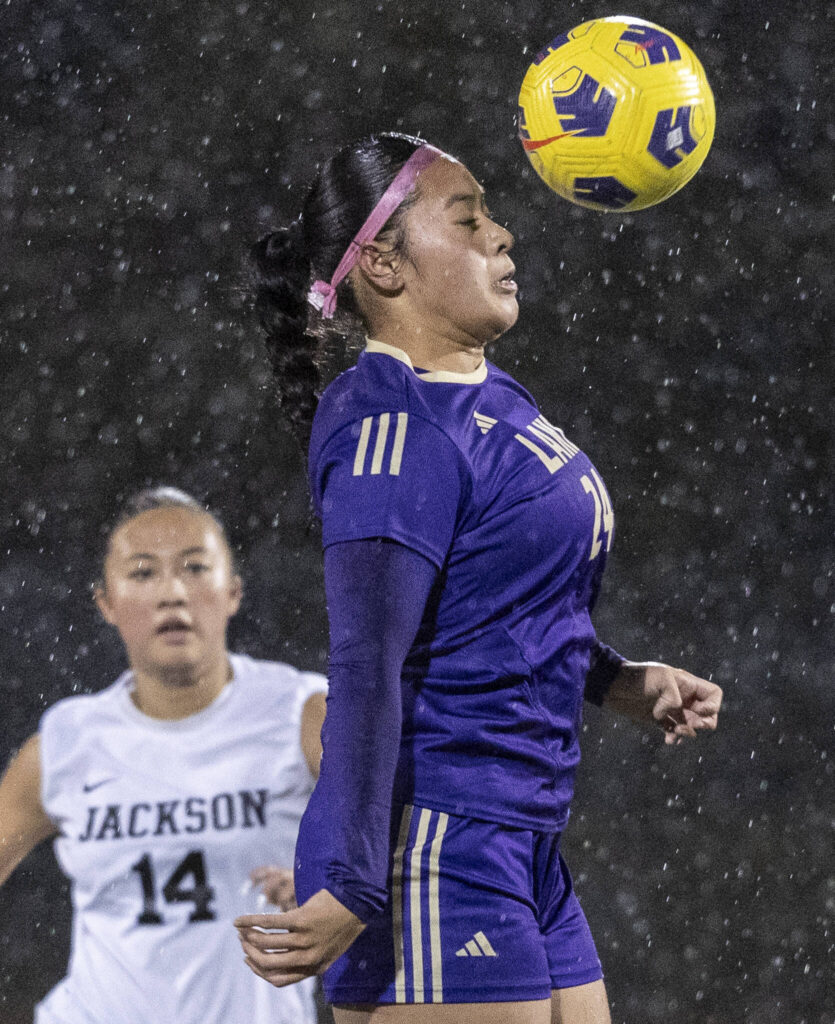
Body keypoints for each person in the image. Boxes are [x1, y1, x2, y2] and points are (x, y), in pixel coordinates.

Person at [235, 134, 723, 1024]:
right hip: (432, 846)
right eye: (468, 221)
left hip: (522, 838)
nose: (503, 237)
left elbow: (490, 610)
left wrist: (611, 680)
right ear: (383, 264)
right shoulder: (392, 420)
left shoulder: (491, 399)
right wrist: (346, 878)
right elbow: (366, 663)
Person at [0, 487, 328, 1024]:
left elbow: (414, 838)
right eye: (143, 572)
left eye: (196, 567)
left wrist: (340, 881)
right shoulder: (67, 741)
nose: (173, 593)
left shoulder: (300, 714)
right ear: (105, 602)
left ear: (233, 592)